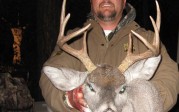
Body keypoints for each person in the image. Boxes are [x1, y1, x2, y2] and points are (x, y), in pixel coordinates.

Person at [39, 0, 179, 112]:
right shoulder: (71, 40)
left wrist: (136, 103)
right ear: (91, 1)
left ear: (124, 2)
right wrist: (69, 99)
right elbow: (48, 77)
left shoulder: (148, 40)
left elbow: (170, 80)